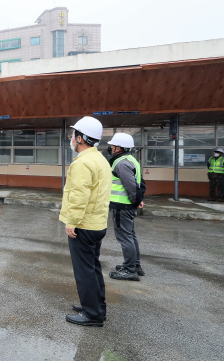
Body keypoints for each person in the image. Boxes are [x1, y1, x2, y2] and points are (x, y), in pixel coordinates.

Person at [60, 116, 112, 327]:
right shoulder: (99, 159)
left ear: (80, 138)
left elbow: (79, 195)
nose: (71, 138)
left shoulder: (83, 163)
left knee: (84, 271)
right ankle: (97, 307)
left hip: (84, 225)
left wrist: (71, 221)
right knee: (93, 268)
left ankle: (92, 315)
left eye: (73, 135)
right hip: (97, 223)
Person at [106, 133, 146, 282]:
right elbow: (140, 182)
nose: (111, 148)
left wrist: (136, 200)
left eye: (113, 146)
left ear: (120, 148)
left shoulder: (121, 163)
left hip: (122, 206)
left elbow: (130, 185)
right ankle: (134, 265)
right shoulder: (131, 160)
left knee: (125, 237)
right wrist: (138, 199)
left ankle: (130, 270)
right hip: (127, 205)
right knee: (130, 235)